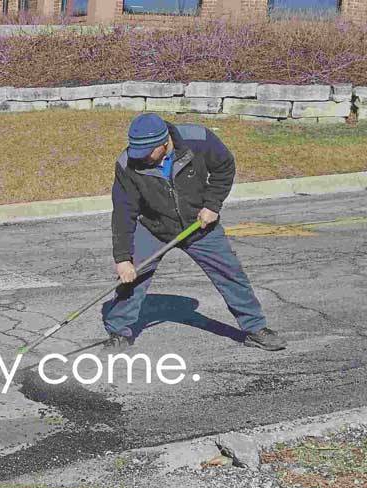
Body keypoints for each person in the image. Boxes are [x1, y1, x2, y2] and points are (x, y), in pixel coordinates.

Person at [105, 112, 285, 352]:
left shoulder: (198, 139)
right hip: (153, 226)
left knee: (230, 274)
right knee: (131, 279)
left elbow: (224, 167)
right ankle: (119, 332)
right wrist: (123, 259)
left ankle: (255, 328)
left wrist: (212, 205)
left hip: (199, 225)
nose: (141, 158)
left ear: (164, 142)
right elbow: (123, 212)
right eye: (137, 151)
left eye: (147, 152)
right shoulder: (128, 163)